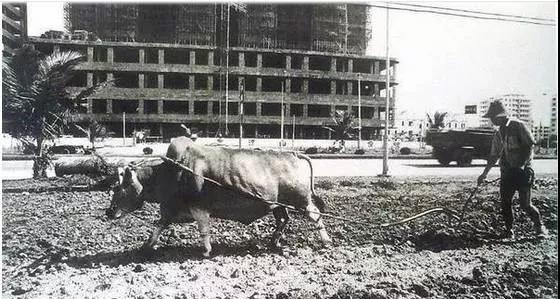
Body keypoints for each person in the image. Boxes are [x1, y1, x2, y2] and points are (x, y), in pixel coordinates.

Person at [477, 100, 549, 240]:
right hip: (508, 172)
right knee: (505, 202)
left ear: (500, 116)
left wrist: (521, 165)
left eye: (493, 117)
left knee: (525, 204)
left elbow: (529, 146)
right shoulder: (498, 133)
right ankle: (509, 230)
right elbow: (493, 155)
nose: (492, 120)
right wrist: (484, 174)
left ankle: (540, 228)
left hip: (523, 172)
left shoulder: (518, 125)